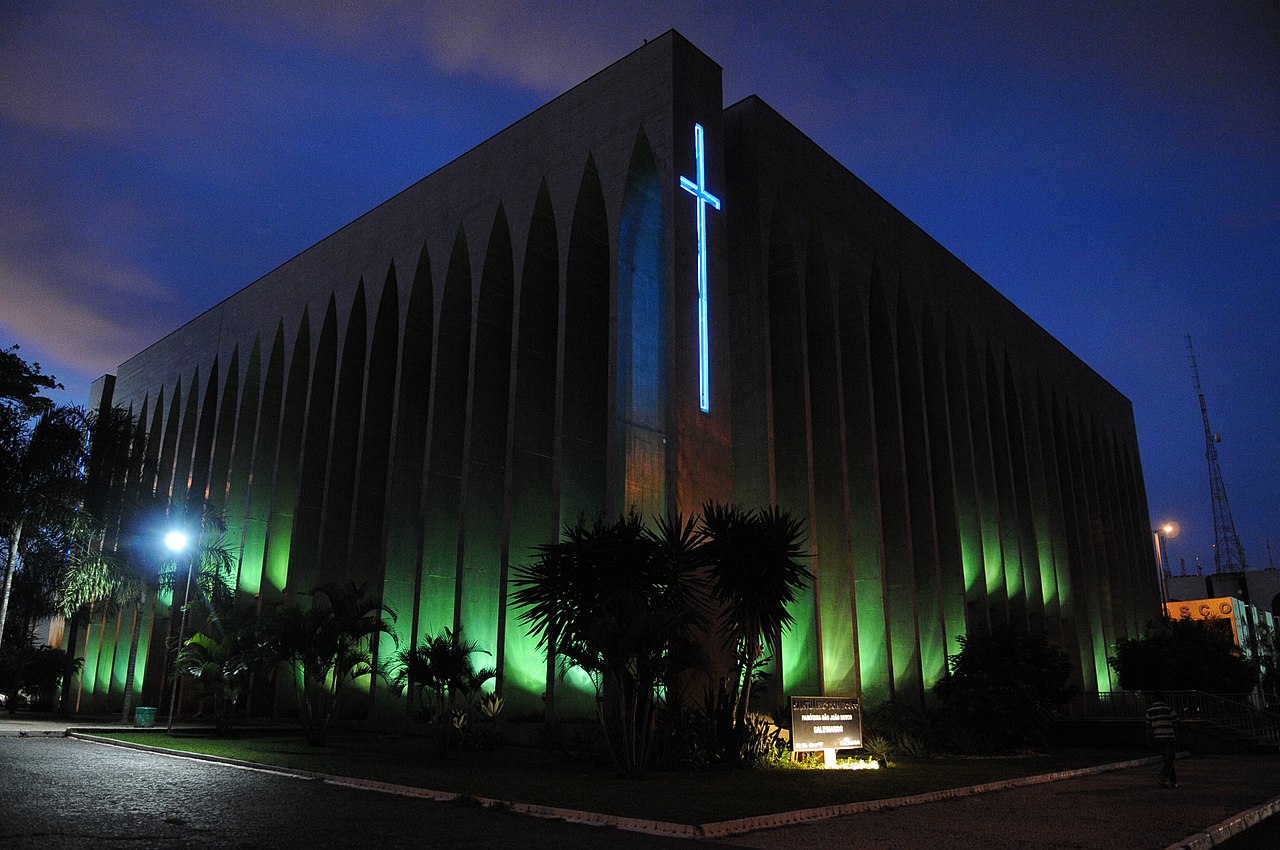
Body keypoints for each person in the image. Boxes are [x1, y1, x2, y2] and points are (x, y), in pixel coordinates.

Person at [1146, 695, 1178, 788]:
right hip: (1169, 736)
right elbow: (1176, 721)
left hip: (1158, 737)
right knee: (1171, 758)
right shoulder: (1168, 709)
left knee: (1167, 759)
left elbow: (1148, 728)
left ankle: (1173, 781)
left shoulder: (1149, 711)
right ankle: (1163, 777)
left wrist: (1149, 739)